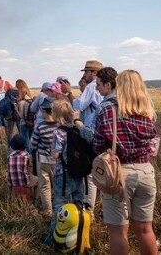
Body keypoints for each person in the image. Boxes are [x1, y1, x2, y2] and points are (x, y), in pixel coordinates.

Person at [93, 70, 158, 255]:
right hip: (145, 171)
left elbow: (97, 144)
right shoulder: (147, 112)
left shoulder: (108, 109)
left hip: (118, 174)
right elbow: (153, 144)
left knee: (118, 231)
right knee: (145, 229)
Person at [46, 99, 86, 244]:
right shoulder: (78, 130)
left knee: (60, 205)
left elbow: (56, 154)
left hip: (63, 175)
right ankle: (77, 236)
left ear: (56, 116)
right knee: (78, 204)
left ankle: (53, 238)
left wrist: (51, 152)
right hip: (79, 173)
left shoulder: (59, 132)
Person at [73, 60, 104, 210]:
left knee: (90, 174)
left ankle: (88, 209)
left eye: (86, 71)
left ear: (94, 73)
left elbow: (78, 105)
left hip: (90, 132)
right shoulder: (101, 88)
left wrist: (67, 94)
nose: (84, 75)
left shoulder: (91, 87)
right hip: (101, 132)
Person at [31, 97, 59, 217]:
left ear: (43, 110)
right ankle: (58, 208)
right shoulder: (60, 126)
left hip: (42, 160)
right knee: (57, 185)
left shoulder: (40, 126)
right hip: (57, 161)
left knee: (44, 186)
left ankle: (48, 211)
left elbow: (33, 144)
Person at [8, 134, 39, 201]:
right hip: (24, 182)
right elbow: (28, 169)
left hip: (11, 182)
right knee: (38, 180)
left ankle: (10, 198)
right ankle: (36, 199)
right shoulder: (27, 155)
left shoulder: (9, 155)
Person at [16, 79, 34, 152]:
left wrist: (15, 108)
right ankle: (32, 155)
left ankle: (28, 156)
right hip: (32, 123)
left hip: (24, 124)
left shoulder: (21, 102)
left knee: (25, 141)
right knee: (30, 140)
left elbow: (20, 116)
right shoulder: (31, 100)